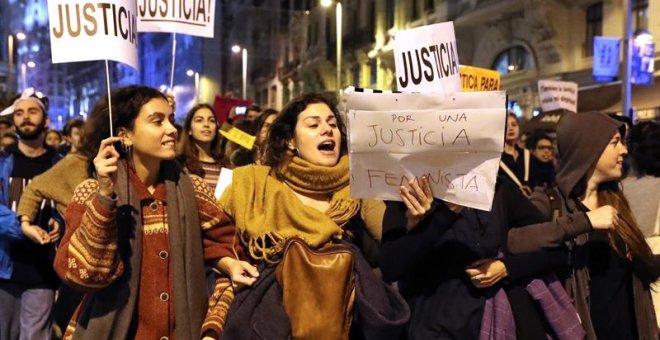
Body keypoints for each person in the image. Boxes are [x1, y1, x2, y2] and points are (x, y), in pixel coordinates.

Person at [53, 85, 252, 339]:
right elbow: (84, 274)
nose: (171, 129)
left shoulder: (193, 190)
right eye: (157, 121)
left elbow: (226, 251)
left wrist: (213, 324)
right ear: (125, 135)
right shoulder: (92, 192)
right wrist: (105, 198)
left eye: (171, 120)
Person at [216, 93, 404, 339]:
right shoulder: (253, 183)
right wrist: (229, 264)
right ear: (290, 141)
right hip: (269, 327)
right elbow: (213, 238)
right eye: (314, 125)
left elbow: (393, 240)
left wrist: (407, 205)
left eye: (333, 124)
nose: (327, 130)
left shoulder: (358, 186)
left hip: (346, 327)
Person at [506, 112, 659, 339]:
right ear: (588, 150)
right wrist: (585, 221)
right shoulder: (548, 201)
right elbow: (514, 240)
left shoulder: (615, 199)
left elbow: (636, 269)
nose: (624, 151)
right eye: (614, 143)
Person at [0, 88, 62, 340]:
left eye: (32, 111)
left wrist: (61, 222)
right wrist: (21, 226)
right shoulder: (2, 161)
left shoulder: (60, 164)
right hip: (4, 267)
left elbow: (72, 205)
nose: (25, 117)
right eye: (19, 113)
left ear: (46, 120)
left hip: (43, 269)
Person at [178, 103, 228, 191]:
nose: (206, 124)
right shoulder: (180, 163)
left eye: (211, 120)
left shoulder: (225, 164)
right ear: (189, 129)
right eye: (199, 120)